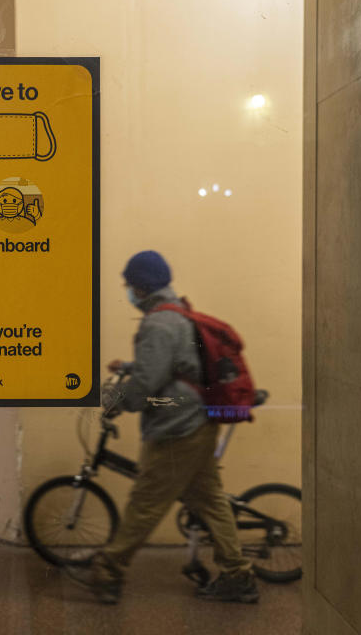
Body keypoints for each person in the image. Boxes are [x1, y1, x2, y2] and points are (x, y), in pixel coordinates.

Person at [64, 250, 258, 605]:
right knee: (209, 500)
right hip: (200, 420)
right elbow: (173, 365)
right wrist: (133, 365)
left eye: (128, 285)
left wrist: (113, 402)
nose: (127, 291)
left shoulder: (156, 322)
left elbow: (144, 387)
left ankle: (108, 572)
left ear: (141, 286)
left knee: (146, 501)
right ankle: (238, 574)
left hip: (177, 426)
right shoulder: (178, 314)